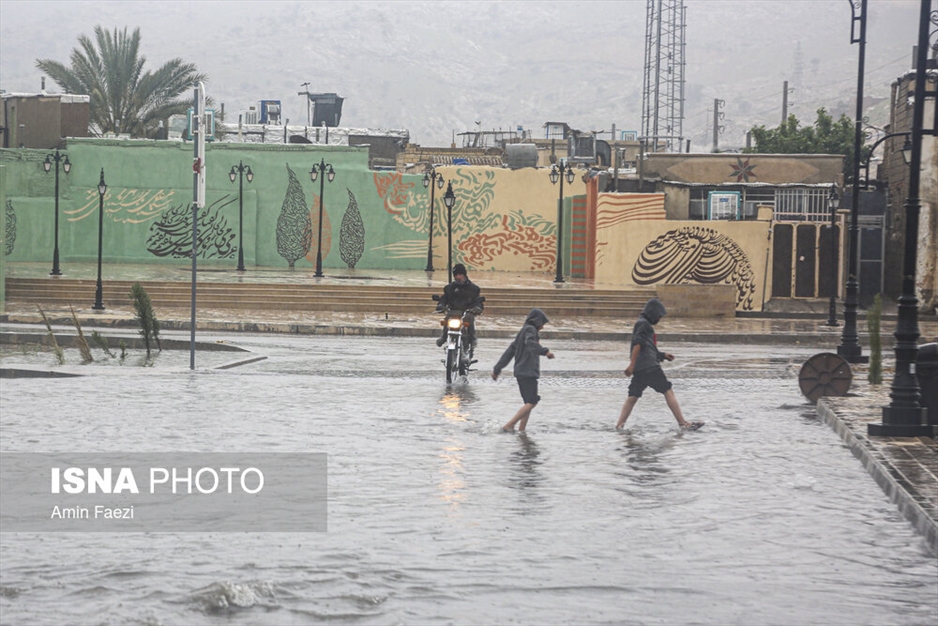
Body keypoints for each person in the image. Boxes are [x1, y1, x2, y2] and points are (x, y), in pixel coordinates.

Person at [615, 298, 704, 431]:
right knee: (667, 390)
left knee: (633, 395)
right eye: (659, 316)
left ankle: (619, 425)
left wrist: (662, 355)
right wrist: (631, 364)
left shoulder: (643, 324)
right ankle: (683, 423)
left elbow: (648, 347)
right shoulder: (643, 324)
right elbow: (637, 344)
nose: (659, 319)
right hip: (649, 367)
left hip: (641, 369)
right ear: (653, 313)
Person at [492, 308, 555, 432]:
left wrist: (497, 369)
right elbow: (530, 342)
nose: (542, 327)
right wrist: (545, 352)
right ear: (536, 321)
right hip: (528, 371)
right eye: (542, 323)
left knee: (528, 402)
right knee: (533, 401)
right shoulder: (530, 330)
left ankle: (522, 429)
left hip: (521, 371)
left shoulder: (522, 332)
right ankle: (510, 425)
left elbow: (509, 353)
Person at [435, 263, 484, 347]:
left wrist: (477, 308)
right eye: (456, 275)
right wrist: (441, 305)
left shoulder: (474, 288)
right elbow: (444, 299)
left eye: (460, 274)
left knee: (470, 318)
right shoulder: (449, 288)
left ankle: (472, 339)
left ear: (464, 275)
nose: (458, 277)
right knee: (447, 319)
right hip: (453, 312)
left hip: (467, 312)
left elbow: (477, 301)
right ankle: (444, 337)